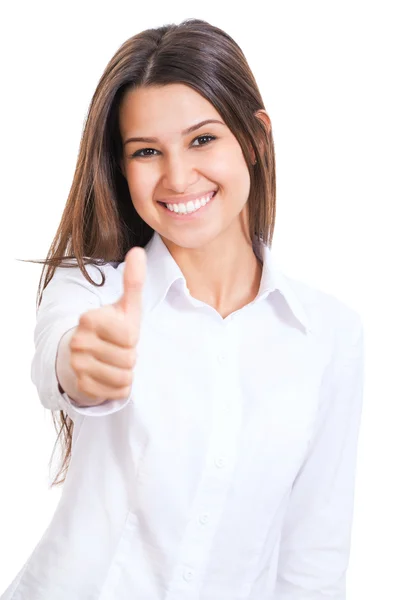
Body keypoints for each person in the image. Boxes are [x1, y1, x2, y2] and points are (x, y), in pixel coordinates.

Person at [1, 17, 364, 600]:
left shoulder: (330, 335)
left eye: (202, 139)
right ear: (122, 167)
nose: (176, 176)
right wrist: (84, 367)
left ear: (256, 138)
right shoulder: (92, 291)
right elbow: (62, 359)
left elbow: (313, 558)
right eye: (147, 151)